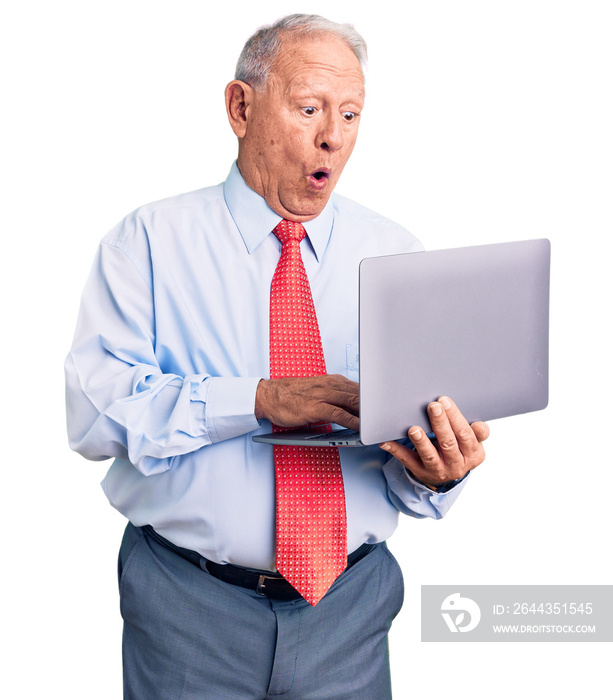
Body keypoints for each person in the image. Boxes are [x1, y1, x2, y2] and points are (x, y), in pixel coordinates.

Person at [65, 13, 488, 699]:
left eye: (350, 114)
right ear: (240, 107)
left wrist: (439, 473)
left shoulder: (398, 255)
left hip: (349, 608)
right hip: (187, 610)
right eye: (310, 108)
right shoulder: (147, 242)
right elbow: (94, 418)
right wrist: (256, 401)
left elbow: (405, 476)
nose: (333, 136)